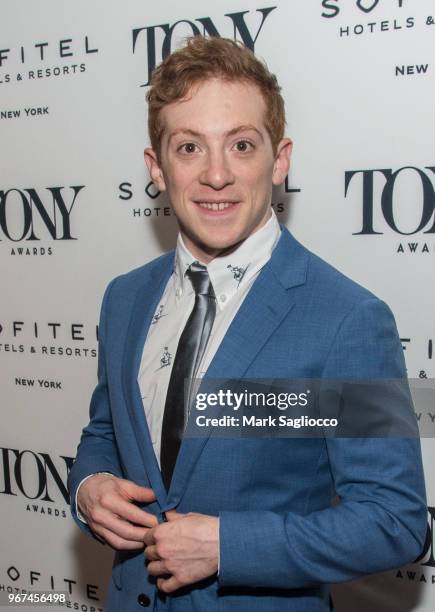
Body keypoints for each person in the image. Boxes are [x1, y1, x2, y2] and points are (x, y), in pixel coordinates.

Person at [68, 36, 427, 611]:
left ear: (279, 159)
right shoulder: (125, 298)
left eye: (241, 144)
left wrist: (229, 546)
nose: (216, 175)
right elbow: (106, 433)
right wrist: (90, 487)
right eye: (189, 148)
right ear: (155, 168)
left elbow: (394, 521)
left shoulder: (346, 320)